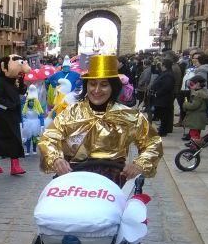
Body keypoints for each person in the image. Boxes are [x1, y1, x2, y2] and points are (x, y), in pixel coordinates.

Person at [39, 54, 163, 187]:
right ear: (86, 85)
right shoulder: (70, 113)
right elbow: (48, 138)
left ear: (113, 87)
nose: (97, 90)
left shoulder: (130, 116)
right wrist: (56, 158)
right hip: (73, 180)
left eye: (104, 85)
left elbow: (153, 143)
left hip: (113, 183)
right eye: (92, 84)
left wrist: (140, 163)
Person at [0, 54, 30, 175]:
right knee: (3, 139)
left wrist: (21, 80)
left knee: (12, 138)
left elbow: (21, 91)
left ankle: (10, 166)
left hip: (12, 115)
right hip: (1, 115)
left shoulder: (12, 80)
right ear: (4, 67)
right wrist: (10, 106)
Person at [183, 75, 208, 144]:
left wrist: (185, 104)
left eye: (191, 84)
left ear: (197, 84)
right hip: (200, 116)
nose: (190, 86)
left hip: (196, 116)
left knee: (194, 133)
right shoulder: (203, 92)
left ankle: (194, 146)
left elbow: (194, 105)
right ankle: (193, 143)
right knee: (196, 131)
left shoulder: (198, 94)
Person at [151, 57, 177, 136]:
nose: (160, 66)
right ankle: (163, 129)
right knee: (162, 115)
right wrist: (154, 64)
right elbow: (154, 71)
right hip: (162, 98)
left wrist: (157, 93)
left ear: (164, 65)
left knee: (164, 116)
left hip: (164, 98)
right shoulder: (164, 72)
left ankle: (163, 131)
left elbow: (167, 87)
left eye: (161, 64)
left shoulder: (168, 75)